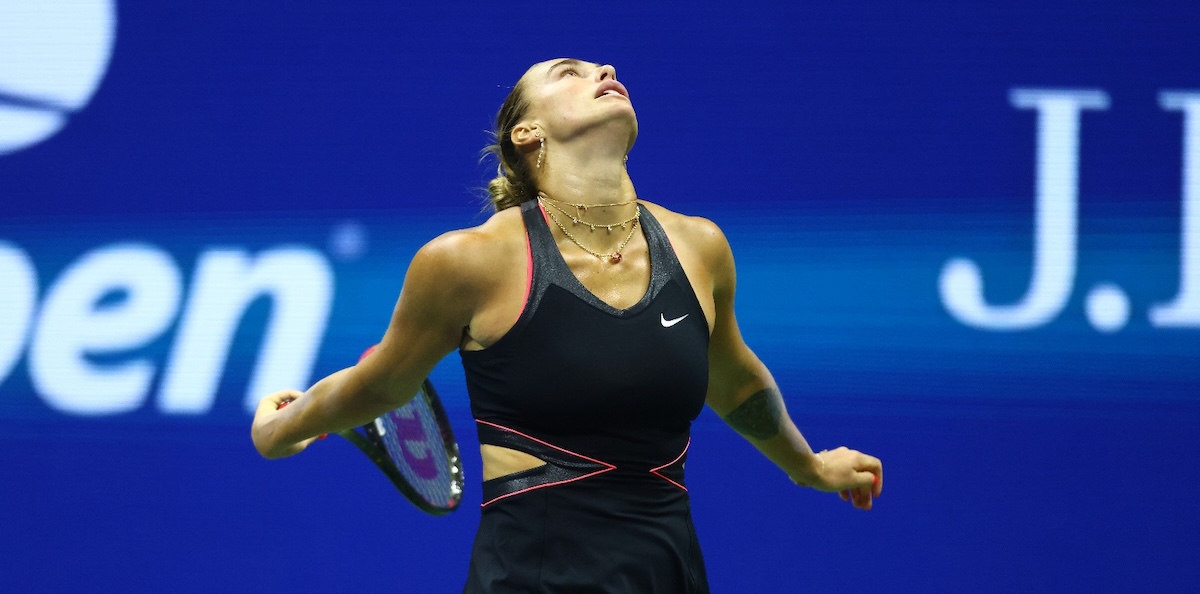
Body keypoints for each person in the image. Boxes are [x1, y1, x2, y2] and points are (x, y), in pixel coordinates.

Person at [251, 58, 884, 593]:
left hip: (670, 572)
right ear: (527, 133)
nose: (605, 69)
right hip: (531, 577)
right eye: (568, 73)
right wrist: (286, 426)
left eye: (600, 67)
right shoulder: (468, 261)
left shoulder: (700, 247)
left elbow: (736, 381)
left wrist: (809, 467)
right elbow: (382, 384)